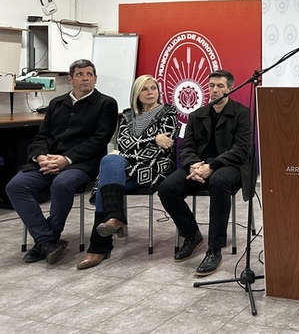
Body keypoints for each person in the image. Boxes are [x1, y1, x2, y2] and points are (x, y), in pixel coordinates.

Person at [5, 59, 118, 264]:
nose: (85, 78)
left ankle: (48, 238)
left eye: (89, 74)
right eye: (80, 74)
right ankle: (47, 240)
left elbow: (98, 140)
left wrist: (66, 159)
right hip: (47, 161)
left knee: (62, 184)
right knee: (15, 186)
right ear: (71, 78)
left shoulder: (106, 103)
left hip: (82, 163)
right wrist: (40, 157)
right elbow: (42, 136)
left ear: (95, 78)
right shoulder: (57, 103)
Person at [76, 75, 177, 269]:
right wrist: (153, 139)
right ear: (136, 94)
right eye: (144, 89)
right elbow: (122, 143)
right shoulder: (128, 115)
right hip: (126, 166)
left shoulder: (168, 112)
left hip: (155, 165)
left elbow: (163, 146)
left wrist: (144, 145)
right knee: (110, 163)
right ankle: (113, 220)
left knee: (108, 171)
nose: (150, 93)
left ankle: (99, 246)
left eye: (153, 88)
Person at [158, 69, 252, 276]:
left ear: (230, 88)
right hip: (199, 165)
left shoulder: (242, 113)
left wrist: (213, 166)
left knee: (218, 182)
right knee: (166, 188)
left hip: (229, 166)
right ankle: (191, 234)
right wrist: (193, 165)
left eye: (220, 86)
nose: (215, 90)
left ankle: (214, 248)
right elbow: (186, 147)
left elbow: (241, 149)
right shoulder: (196, 115)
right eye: (211, 86)